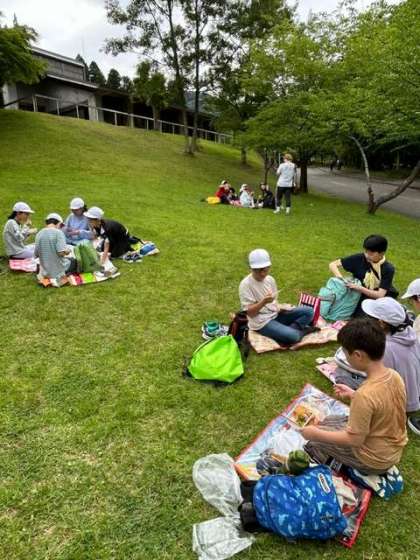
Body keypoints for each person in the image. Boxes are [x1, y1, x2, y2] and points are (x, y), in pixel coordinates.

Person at [303, 318, 408, 474]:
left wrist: (316, 435)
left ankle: (351, 471)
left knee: (313, 442)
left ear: (358, 355)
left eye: (346, 353)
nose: (345, 357)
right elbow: (383, 406)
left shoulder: (365, 395)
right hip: (389, 449)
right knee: (329, 420)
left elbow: (354, 440)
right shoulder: (394, 375)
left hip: (372, 460)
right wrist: (353, 394)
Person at [360, 298, 420, 435]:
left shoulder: (385, 348)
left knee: (345, 375)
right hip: (415, 392)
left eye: (371, 318)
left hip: (401, 403)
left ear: (381, 323)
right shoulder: (409, 333)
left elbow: (376, 379)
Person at [239, 249, 315, 346]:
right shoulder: (245, 285)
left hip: (275, 314)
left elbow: (274, 302)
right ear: (251, 268)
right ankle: (296, 333)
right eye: (258, 270)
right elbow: (250, 314)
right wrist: (263, 302)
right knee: (294, 337)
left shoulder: (270, 280)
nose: (263, 274)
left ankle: (286, 332)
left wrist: (280, 307)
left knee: (309, 311)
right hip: (262, 322)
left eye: (265, 270)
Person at [329, 234, 396, 315]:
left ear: (381, 253)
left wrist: (359, 288)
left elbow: (380, 295)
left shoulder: (388, 269)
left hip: (377, 299)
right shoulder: (359, 258)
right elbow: (333, 264)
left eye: (371, 254)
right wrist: (341, 279)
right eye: (366, 252)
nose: (367, 256)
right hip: (358, 295)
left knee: (364, 317)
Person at [35, 213, 76, 286]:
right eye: (61, 225)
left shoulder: (39, 234)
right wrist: (68, 251)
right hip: (58, 270)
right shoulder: (58, 233)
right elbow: (61, 253)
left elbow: (36, 254)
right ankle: (64, 276)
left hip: (45, 271)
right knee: (74, 261)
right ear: (59, 223)